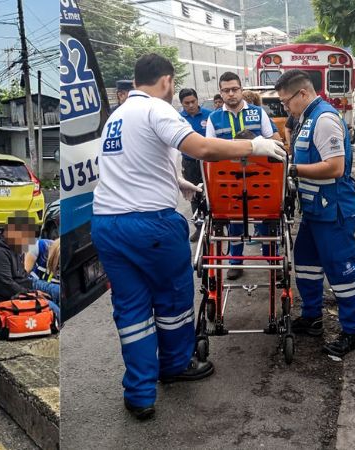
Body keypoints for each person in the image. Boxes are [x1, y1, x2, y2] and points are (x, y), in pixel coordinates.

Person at [91, 53, 286, 420]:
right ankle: (175, 365)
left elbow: (126, 167)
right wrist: (253, 146)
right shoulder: (157, 110)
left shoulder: (115, 119)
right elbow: (203, 148)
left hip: (107, 224)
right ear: (165, 81)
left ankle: (140, 394)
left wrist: (176, 181)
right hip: (150, 223)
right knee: (174, 298)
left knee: (131, 310)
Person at [275, 69, 355, 357]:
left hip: (334, 209)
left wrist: (291, 170)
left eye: (286, 102)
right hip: (315, 209)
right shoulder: (306, 118)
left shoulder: (324, 119)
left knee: (341, 270)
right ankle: (312, 317)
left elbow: (335, 167)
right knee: (306, 263)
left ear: (302, 93)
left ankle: (352, 332)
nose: (285, 108)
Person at [206, 72, 282, 280]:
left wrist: (258, 144)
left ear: (241, 89)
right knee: (234, 224)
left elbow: (276, 142)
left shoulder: (258, 113)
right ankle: (235, 262)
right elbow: (208, 151)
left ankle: (272, 260)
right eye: (226, 90)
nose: (231, 94)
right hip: (227, 181)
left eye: (234, 89)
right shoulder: (214, 118)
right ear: (220, 93)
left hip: (261, 179)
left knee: (265, 222)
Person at [0, 214, 39, 315]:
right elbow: (5, 285)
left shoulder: (14, 246)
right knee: (51, 308)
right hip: (0, 302)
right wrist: (31, 294)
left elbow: (21, 274)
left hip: (19, 288)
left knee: (54, 291)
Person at [179, 88, 213, 242]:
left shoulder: (209, 115)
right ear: (182, 104)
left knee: (212, 193)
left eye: (193, 101)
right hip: (190, 163)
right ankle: (199, 228)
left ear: (197, 100)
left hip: (208, 162)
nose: (191, 105)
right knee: (194, 195)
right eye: (187, 103)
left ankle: (216, 226)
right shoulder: (178, 119)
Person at [25, 238, 61, 320]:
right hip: (31, 285)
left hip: (50, 290)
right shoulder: (39, 246)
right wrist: (34, 293)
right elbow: (23, 276)